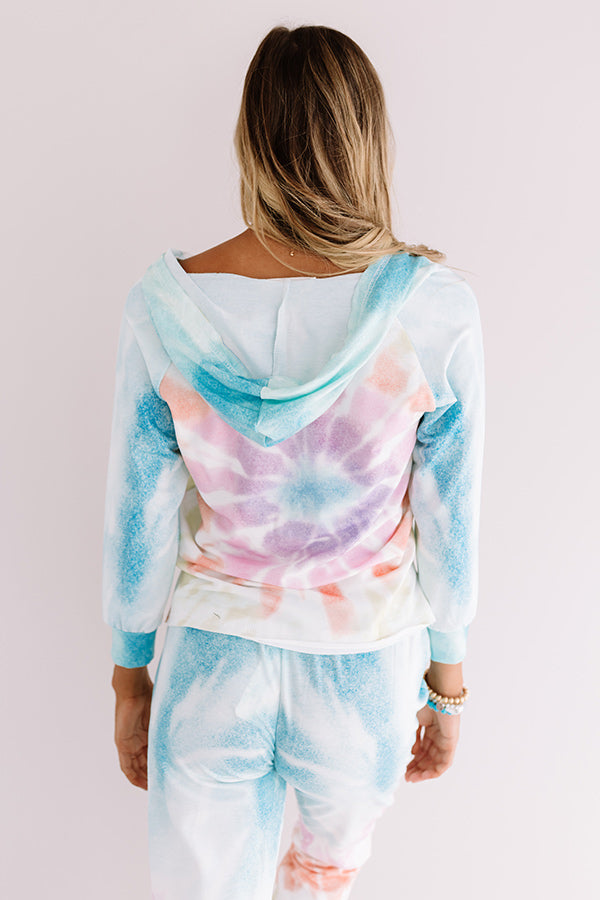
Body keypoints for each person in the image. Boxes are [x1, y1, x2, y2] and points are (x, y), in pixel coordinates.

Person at [102, 23, 485, 900]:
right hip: (363, 674)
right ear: (368, 139)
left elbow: (137, 519)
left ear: (251, 140)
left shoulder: (164, 306)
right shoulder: (434, 310)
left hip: (211, 668)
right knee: (321, 884)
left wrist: (130, 677)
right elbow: (451, 525)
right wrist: (448, 683)